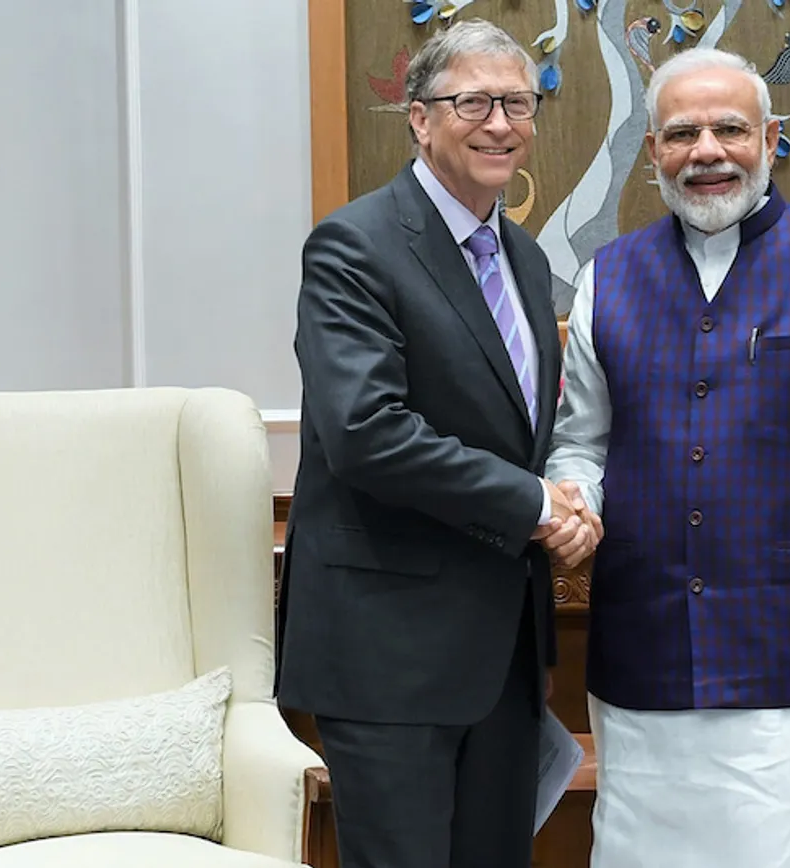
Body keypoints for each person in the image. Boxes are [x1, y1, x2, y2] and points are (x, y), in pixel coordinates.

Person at [545, 47, 790, 867]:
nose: (707, 151)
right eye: (681, 133)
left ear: (770, 139)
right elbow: (581, 442)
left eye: (730, 129)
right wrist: (576, 495)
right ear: (653, 151)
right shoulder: (605, 280)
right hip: (645, 670)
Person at [276, 19, 596, 868]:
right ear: (420, 119)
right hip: (391, 656)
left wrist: (567, 499)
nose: (500, 123)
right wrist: (533, 504)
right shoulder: (355, 247)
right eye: (474, 102)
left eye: (518, 104)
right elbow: (365, 434)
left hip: (503, 656)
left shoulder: (525, 260)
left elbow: (526, 431)